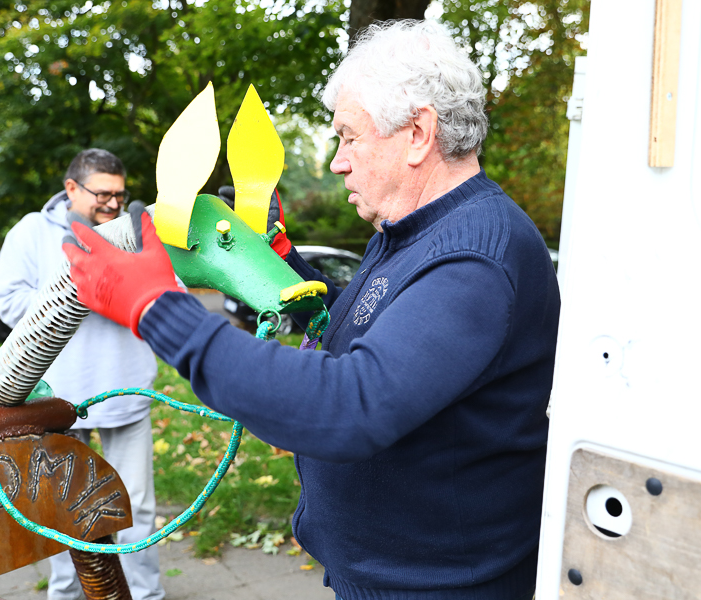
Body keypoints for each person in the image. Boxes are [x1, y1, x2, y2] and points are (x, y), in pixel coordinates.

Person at [64, 20, 560, 600]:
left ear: (419, 134)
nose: (337, 163)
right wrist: (278, 260)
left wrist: (156, 308)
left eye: (349, 137)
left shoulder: (475, 258)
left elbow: (351, 403)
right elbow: (361, 329)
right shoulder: (417, 233)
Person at [0, 149, 166, 600]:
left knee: (137, 509)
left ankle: (145, 595)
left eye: (120, 194)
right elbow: (8, 301)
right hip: (58, 399)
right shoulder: (31, 232)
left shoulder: (137, 228)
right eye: (102, 194)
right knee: (62, 513)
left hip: (125, 392)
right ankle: (67, 594)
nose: (112, 203)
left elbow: (173, 290)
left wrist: (124, 294)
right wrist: (80, 294)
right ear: (72, 189)